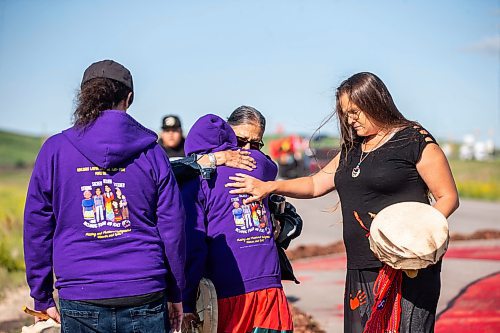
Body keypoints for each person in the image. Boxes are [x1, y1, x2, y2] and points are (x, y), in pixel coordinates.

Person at [226, 72, 459, 333]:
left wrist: (416, 237)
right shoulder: (352, 149)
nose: (350, 120)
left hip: (407, 266)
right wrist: (270, 187)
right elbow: (315, 184)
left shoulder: (414, 140)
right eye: (345, 113)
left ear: (375, 102)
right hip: (361, 265)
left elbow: (447, 196)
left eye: (355, 112)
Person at [23, 60, 186, 332]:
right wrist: (176, 291)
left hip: (81, 293)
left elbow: (37, 226)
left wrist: (40, 294)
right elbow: (173, 227)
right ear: (129, 99)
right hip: (144, 288)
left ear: (85, 96)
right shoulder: (153, 153)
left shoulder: (55, 150)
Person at [181, 113, 293, 333]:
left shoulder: (195, 182)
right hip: (269, 286)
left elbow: (194, 246)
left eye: (256, 144)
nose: (247, 151)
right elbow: (269, 165)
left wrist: (185, 300)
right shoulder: (260, 167)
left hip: (228, 290)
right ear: (228, 139)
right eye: (241, 143)